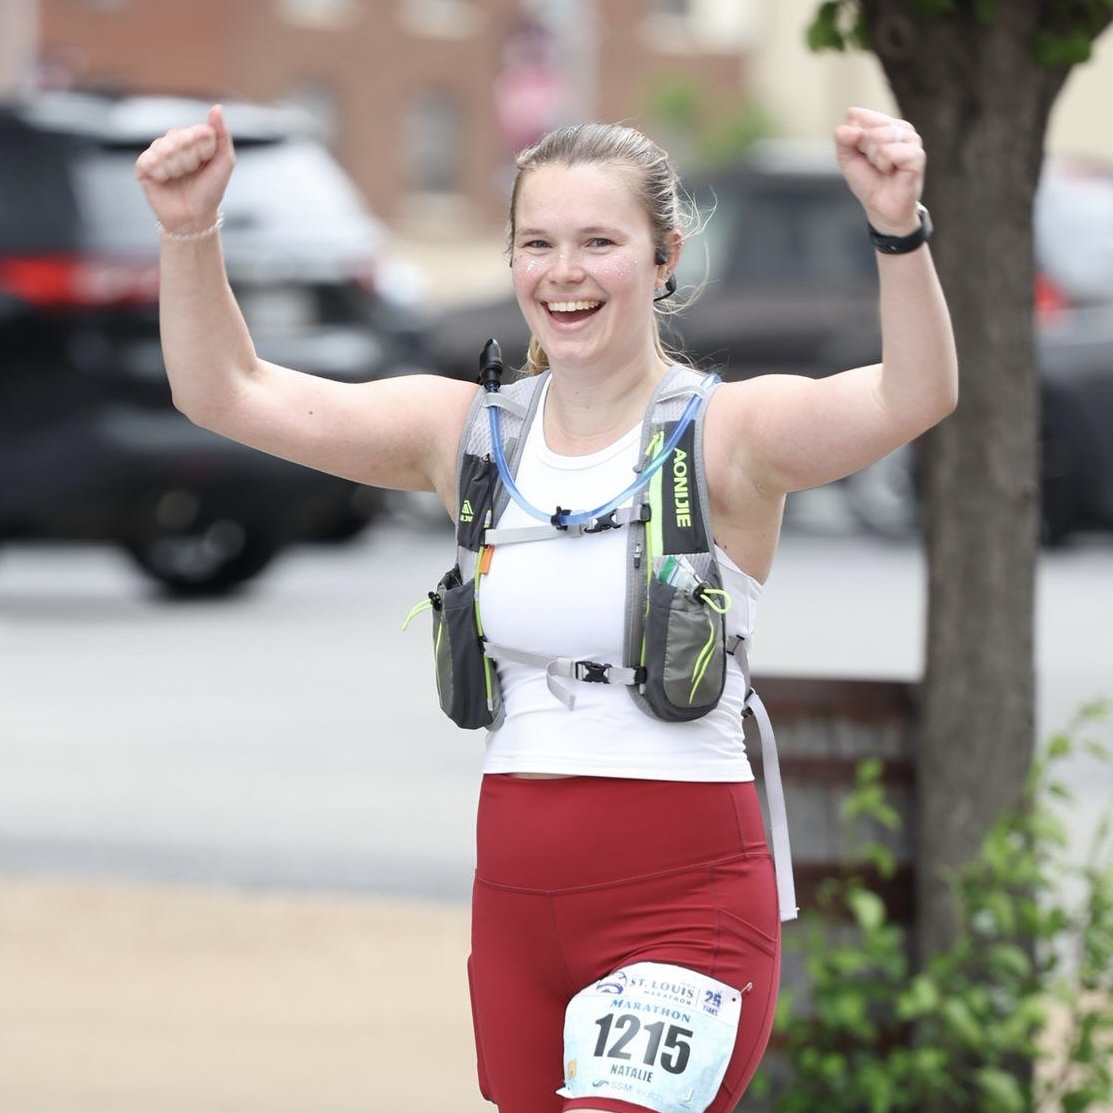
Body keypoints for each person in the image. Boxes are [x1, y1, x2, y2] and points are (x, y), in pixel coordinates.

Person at [135, 103, 957, 1113]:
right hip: (520, 909)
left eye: (599, 243)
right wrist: (189, 231)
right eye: (538, 244)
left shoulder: (729, 434)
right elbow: (224, 390)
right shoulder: (467, 433)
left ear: (664, 258)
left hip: (684, 903)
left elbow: (915, 393)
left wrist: (897, 228)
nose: (563, 272)